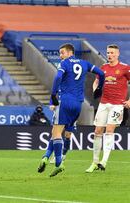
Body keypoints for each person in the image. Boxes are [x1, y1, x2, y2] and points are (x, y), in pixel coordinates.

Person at [37, 43, 105, 177]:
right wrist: (99, 89)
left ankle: (58, 163)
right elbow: (101, 73)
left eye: (62, 53)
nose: (60, 55)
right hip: (79, 104)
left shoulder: (64, 64)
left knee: (57, 133)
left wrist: (53, 95)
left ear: (70, 52)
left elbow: (57, 78)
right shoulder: (84, 63)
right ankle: (45, 157)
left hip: (65, 101)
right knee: (56, 131)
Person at [86, 44, 130, 173]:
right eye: (108, 52)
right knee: (98, 131)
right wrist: (95, 90)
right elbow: (96, 81)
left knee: (110, 130)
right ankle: (94, 162)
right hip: (104, 104)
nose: (109, 55)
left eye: (111, 53)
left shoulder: (124, 68)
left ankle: (103, 162)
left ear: (117, 54)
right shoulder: (103, 68)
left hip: (117, 104)